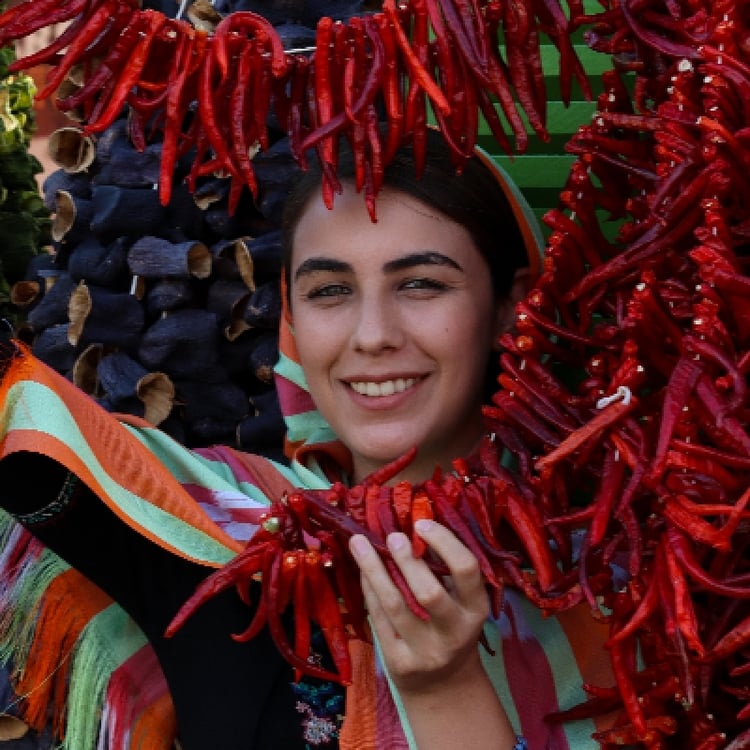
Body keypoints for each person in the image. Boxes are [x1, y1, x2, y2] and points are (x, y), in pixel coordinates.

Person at [0, 130, 614, 750]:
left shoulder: (605, 575)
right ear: (292, 316)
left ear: (510, 304)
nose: (372, 336)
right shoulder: (220, 529)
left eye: (421, 283)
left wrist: (445, 691)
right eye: (330, 291)